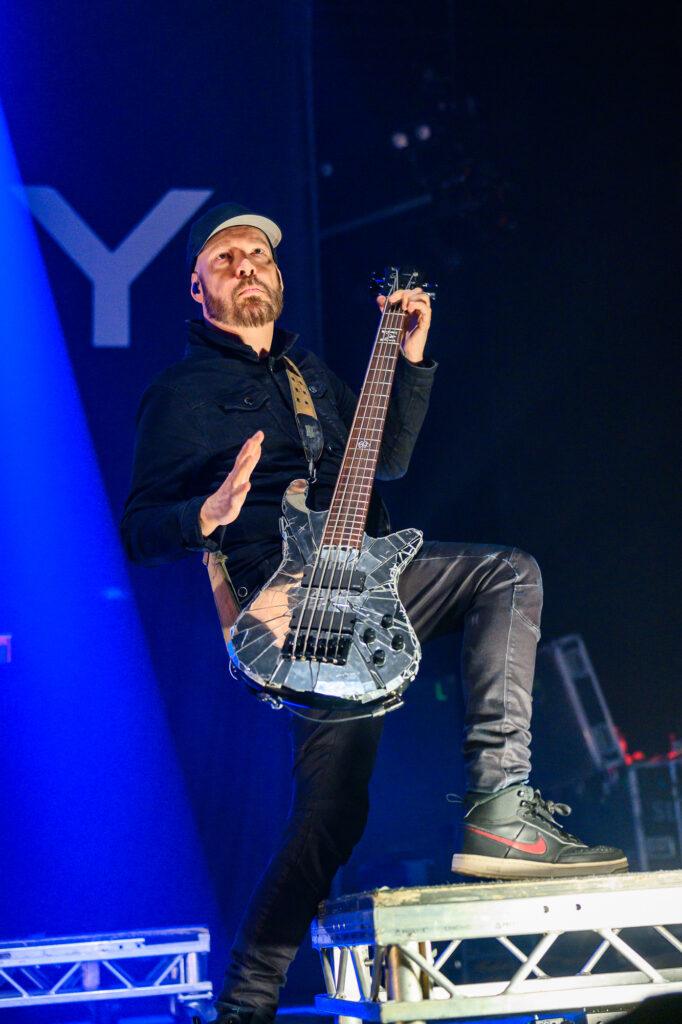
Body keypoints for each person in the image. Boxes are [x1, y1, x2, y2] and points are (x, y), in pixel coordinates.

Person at [121, 202, 627, 1024]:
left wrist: (410, 357)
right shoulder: (180, 394)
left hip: (374, 586)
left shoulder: (309, 373)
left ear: (277, 277)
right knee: (330, 819)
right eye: (226, 258)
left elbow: (383, 459)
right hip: (293, 607)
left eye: (259, 255)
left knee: (506, 574)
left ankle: (499, 806)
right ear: (197, 287)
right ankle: (246, 1004)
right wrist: (204, 515)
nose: (247, 265)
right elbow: (139, 531)